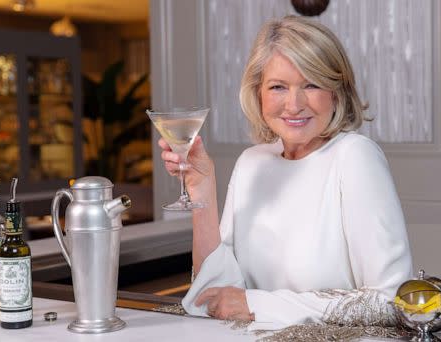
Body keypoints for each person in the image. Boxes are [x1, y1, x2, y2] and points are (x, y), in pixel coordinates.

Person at [158, 15, 413, 331]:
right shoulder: (252, 161)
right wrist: (202, 191)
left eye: (311, 84)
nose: (294, 104)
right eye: (278, 86)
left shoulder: (354, 156)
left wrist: (256, 304)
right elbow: (214, 296)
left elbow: (392, 301)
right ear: (258, 92)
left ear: (337, 91)